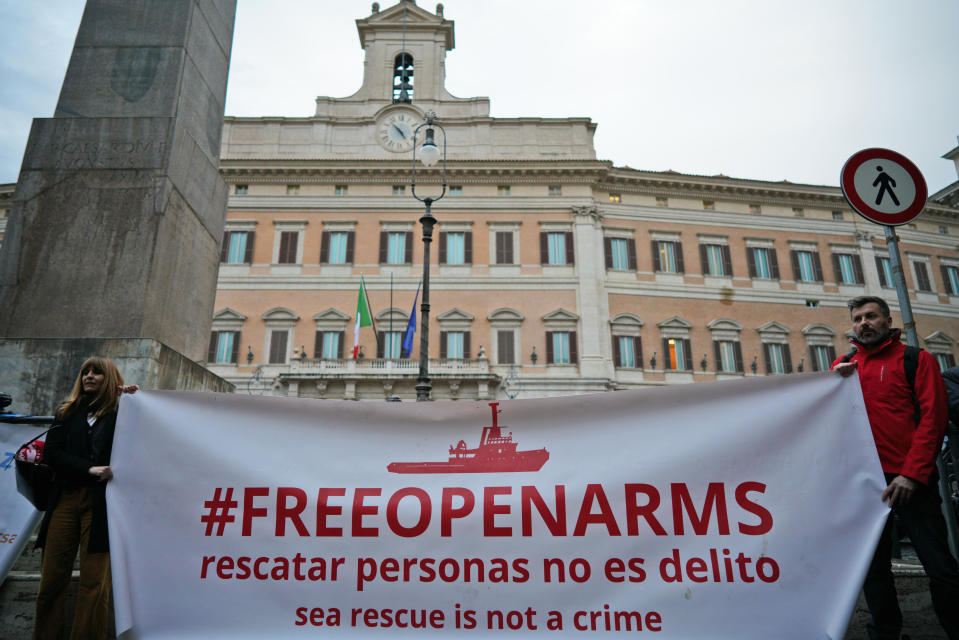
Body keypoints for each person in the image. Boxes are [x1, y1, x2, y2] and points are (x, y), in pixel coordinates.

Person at [833, 296, 959, 640]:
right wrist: (835, 381)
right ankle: (884, 634)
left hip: (911, 481)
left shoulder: (917, 359)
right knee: (873, 570)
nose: (864, 323)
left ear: (888, 320)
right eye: (858, 318)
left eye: (871, 316)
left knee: (939, 566)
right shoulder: (843, 364)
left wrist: (912, 474)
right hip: (863, 484)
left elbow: (934, 420)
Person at [33, 357, 138, 640]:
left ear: (111, 379)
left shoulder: (123, 413)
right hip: (65, 500)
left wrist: (132, 402)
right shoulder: (67, 413)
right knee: (52, 580)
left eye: (97, 373)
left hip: (102, 505)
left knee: (94, 583)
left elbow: (143, 441)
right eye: (85, 372)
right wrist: (88, 469)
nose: (89, 376)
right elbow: (51, 454)